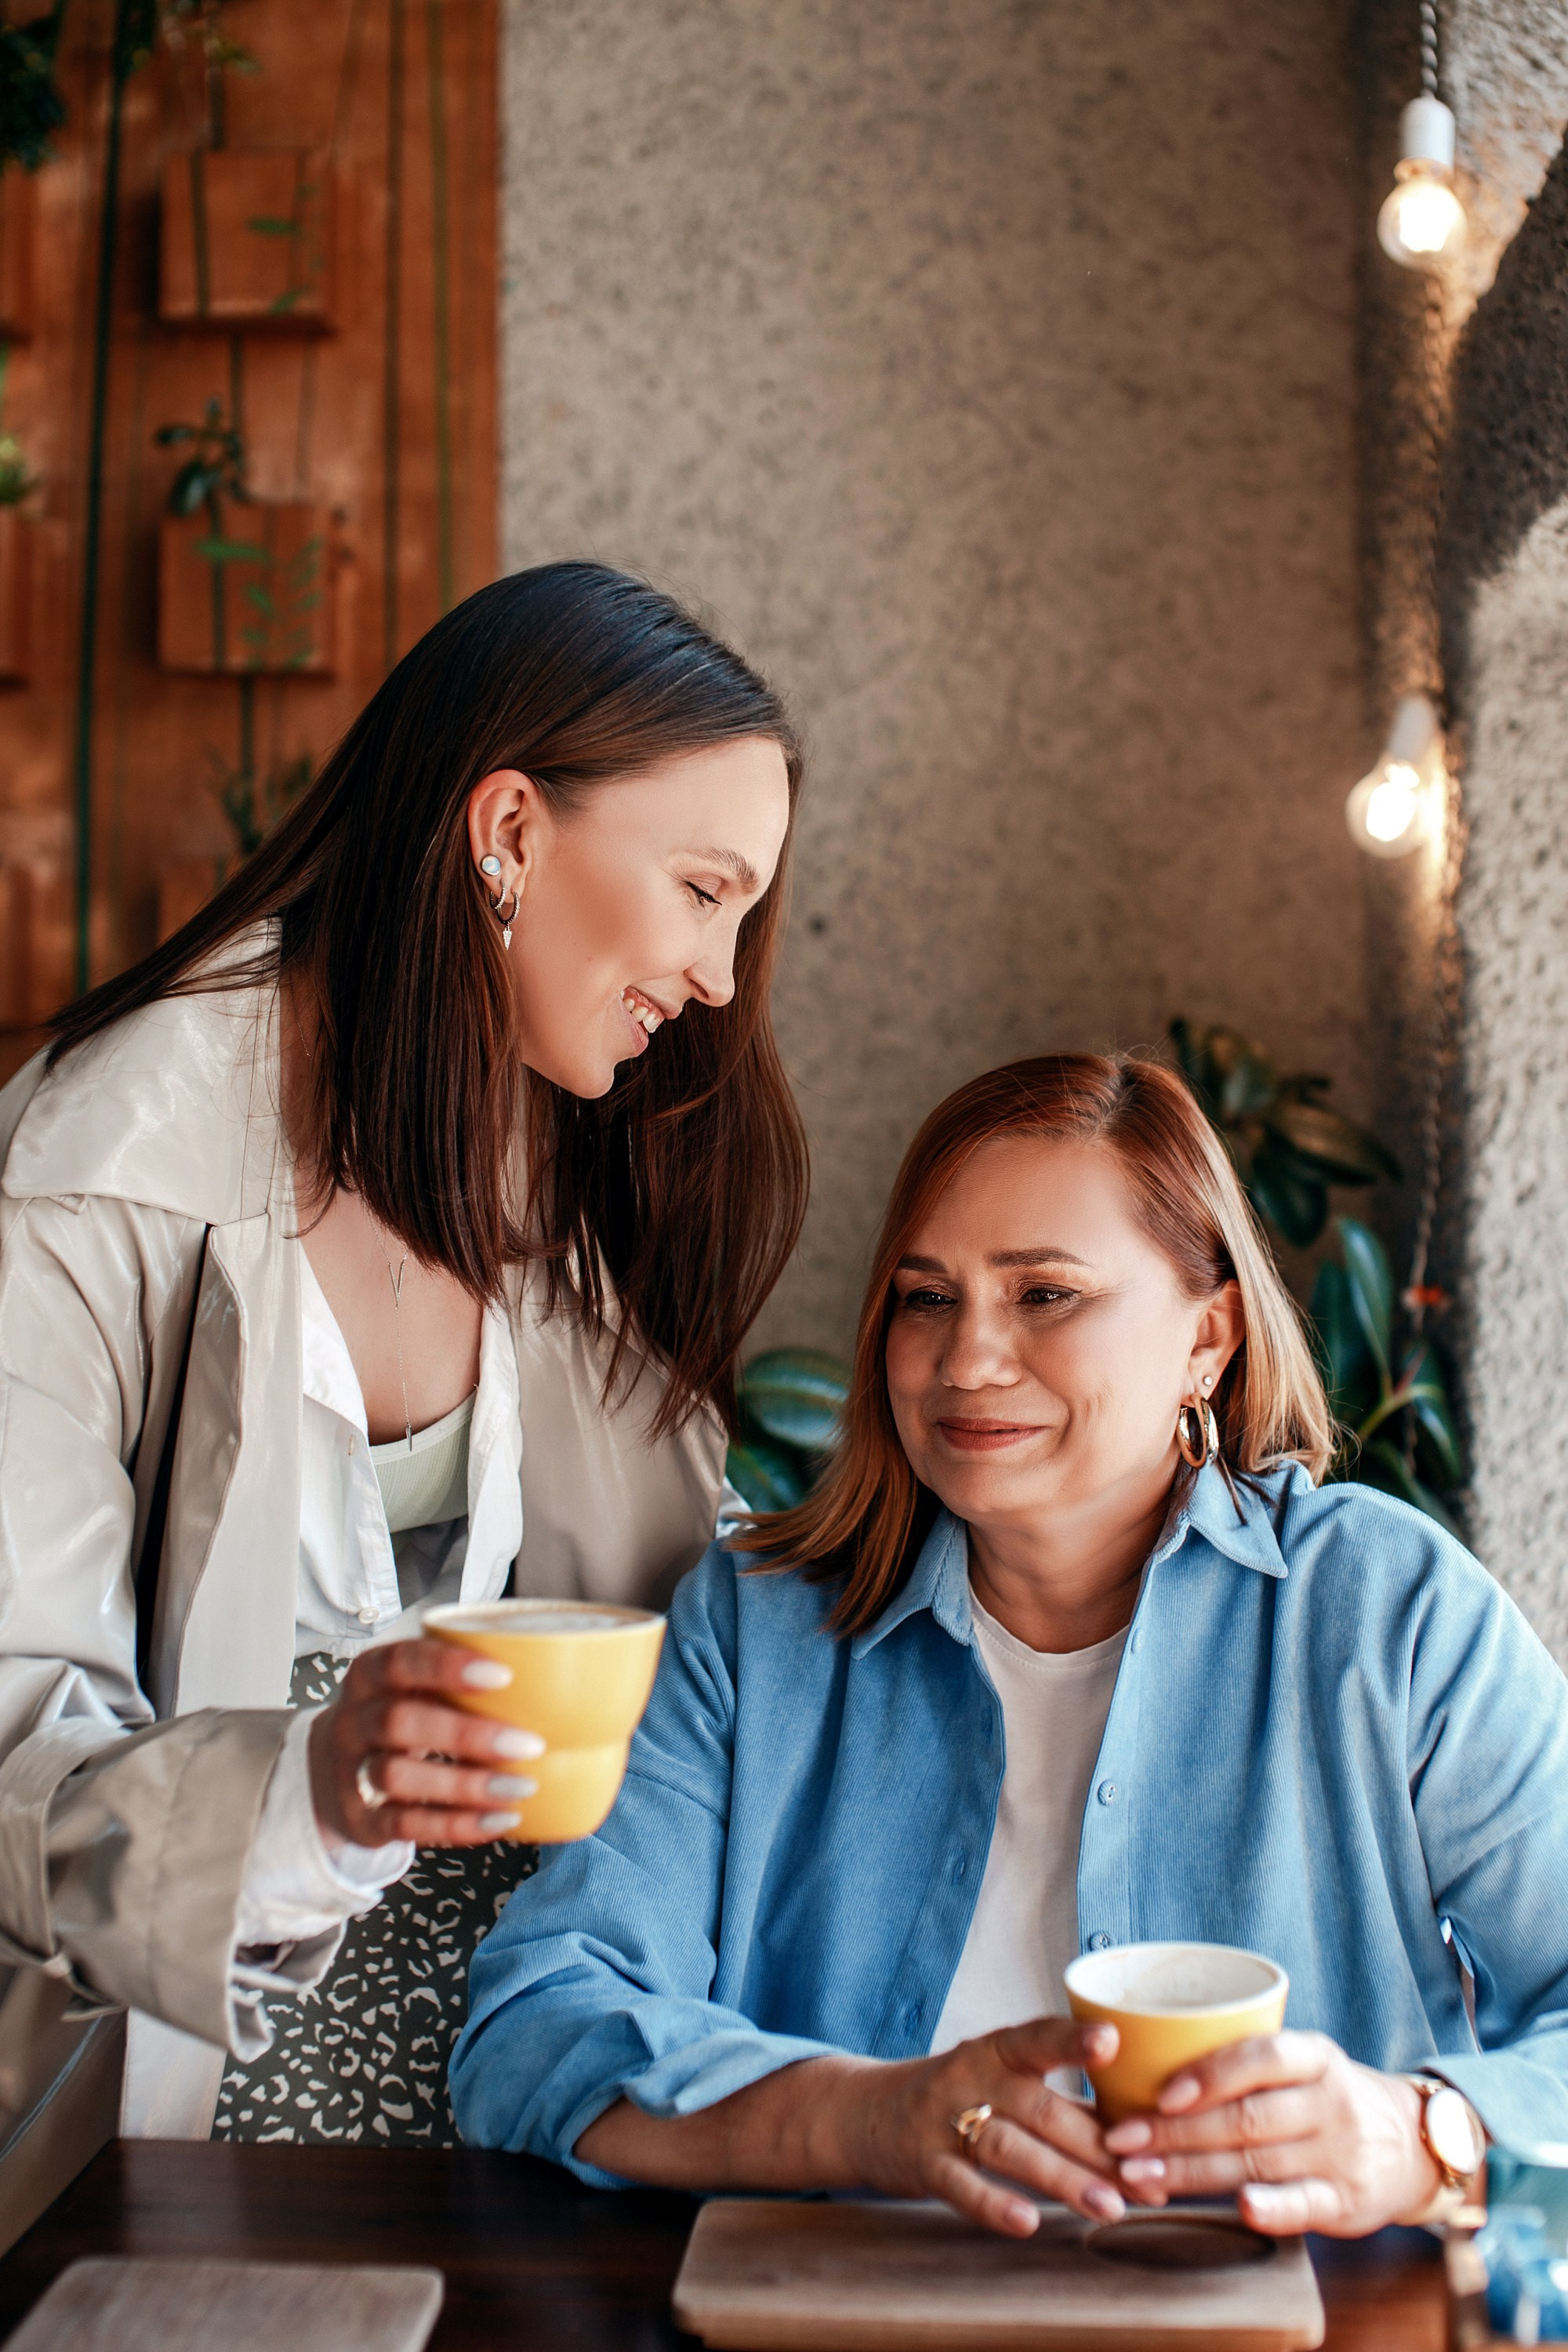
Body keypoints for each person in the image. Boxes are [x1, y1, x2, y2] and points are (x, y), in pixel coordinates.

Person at [453, 1051, 1568, 2241]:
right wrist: (868, 2120)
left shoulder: (1382, 1607)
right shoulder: (753, 1626)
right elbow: (538, 2024)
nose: (967, 1359)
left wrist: (1420, 2135)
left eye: (1046, 1295)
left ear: (1210, 1336)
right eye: (928, 1297)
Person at [0, 562, 806, 2154]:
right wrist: (324, 1784)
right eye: (705, 888)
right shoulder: (95, 1169)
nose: (722, 975)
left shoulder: (565, 1149)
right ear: (508, 832)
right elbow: (13, 1748)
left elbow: (678, 1589)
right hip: (185, 2088)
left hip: (547, 2053)